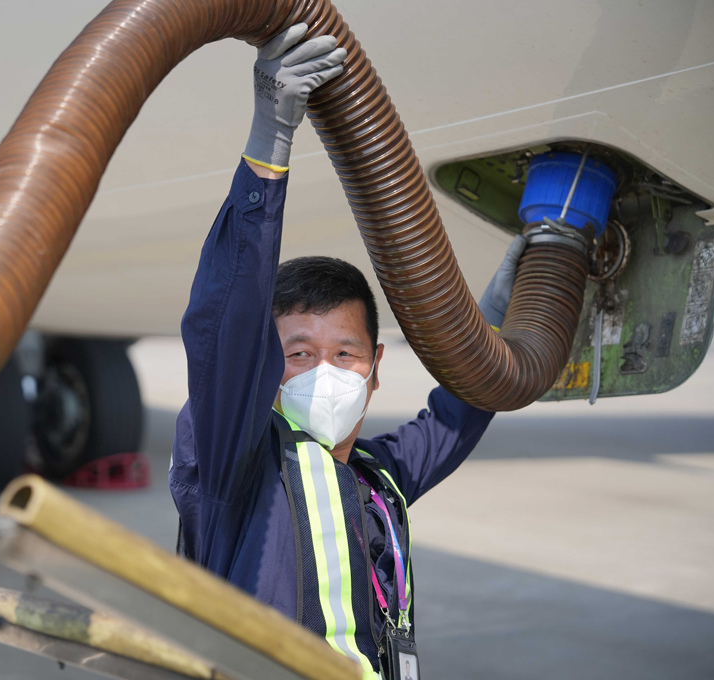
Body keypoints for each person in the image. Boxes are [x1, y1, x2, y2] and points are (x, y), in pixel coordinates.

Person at [170, 23, 526, 678]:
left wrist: (496, 319)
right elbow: (222, 328)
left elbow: (460, 414)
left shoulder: (375, 479)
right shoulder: (234, 469)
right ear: (265, 373)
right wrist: (268, 145)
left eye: (344, 355)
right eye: (298, 354)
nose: (324, 373)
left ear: (375, 369)